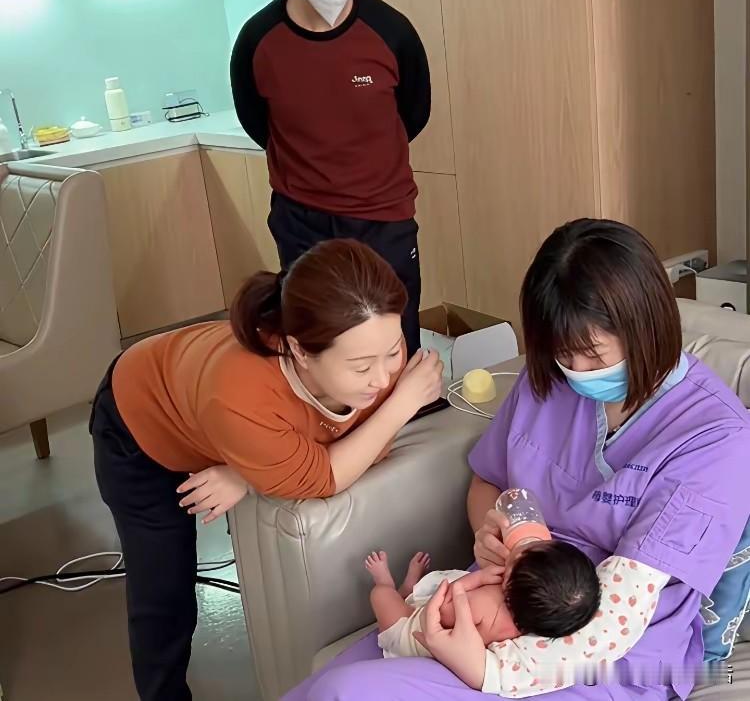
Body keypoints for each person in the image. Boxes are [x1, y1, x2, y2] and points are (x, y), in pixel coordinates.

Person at [283, 219, 750, 700]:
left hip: (601, 652)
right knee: (327, 689)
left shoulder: (715, 438)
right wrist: (489, 532)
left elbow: (618, 615)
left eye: (592, 355)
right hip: (487, 605)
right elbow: (487, 482)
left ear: (645, 326)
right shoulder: (549, 380)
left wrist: (490, 671)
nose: (576, 371)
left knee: (348, 692)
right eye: (563, 353)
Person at [90, 239, 443, 701]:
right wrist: (402, 404)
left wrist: (247, 471)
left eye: (394, 352)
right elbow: (324, 475)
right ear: (299, 350)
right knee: (164, 591)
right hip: (139, 422)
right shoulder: (240, 395)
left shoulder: (368, 350)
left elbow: (364, 446)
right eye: (361, 368)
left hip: (220, 416)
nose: (382, 378)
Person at [230, 0, 431, 357]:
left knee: (394, 331)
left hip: (383, 215)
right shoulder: (259, 40)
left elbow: (413, 114)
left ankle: (405, 401)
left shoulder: (391, 32)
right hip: (302, 217)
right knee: (316, 338)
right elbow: (257, 123)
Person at [365, 539, 600, 661]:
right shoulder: (525, 623)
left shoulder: (486, 604)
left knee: (381, 596)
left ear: (511, 581)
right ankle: (408, 590)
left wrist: (476, 579)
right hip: (436, 626)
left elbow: (442, 610)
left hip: (410, 633)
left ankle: (390, 585)